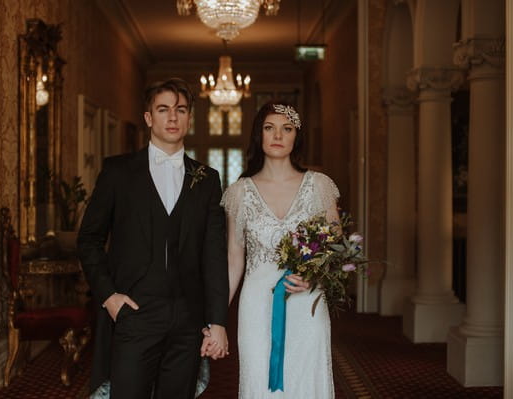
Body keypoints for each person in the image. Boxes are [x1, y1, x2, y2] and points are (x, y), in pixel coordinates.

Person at [77, 78, 229, 399]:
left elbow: (214, 255)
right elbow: (89, 239)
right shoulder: (118, 172)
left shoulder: (207, 179)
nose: (172, 118)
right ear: (149, 118)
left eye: (180, 110)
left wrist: (217, 321)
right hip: (134, 312)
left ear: (189, 118)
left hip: (188, 318)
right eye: (163, 110)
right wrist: (109, 297)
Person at [221, 101, 340, 398]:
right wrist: (215, 317)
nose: (277, 135)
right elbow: (234, 260)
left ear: (296, 136)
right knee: (259, 379)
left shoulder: (319, 186)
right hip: (256, 306)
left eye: (286, 129)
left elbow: (336, 247)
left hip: (307, 301)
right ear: (258, 135)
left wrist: (315, 277)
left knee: (305, 378)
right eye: (269, 128)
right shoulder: (239, 192)